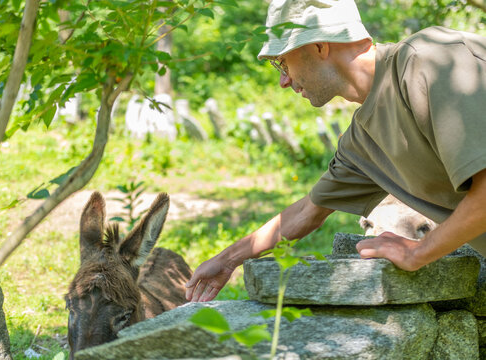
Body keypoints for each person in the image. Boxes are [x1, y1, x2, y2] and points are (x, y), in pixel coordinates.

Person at [185, 0, 486, 303]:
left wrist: (419, 252)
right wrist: (226, 260)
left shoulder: (431, 60)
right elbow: (308, 212)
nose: (283, 81)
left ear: (319, 46)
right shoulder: (363, 140)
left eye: (283, 63)